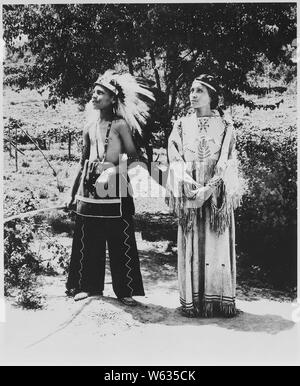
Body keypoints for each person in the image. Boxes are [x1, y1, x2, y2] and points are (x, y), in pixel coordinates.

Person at [65, 70, 155, 306]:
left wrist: (113, 171)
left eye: (100, 92)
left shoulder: (120, 125)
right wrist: (72, 193)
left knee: (120, 239)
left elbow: (136, 160)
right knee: (88, 238)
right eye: (93, 92)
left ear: (113, 98)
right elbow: (83, 162)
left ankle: (124, 290)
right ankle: (87, 286)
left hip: (116, 190)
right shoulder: (88, 127)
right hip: (89, 191)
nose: (94, 96)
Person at [165, 74, 242, 317]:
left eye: (200, 91)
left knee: (215, 246)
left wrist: (209, 189)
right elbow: (174, 155)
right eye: (191, 89)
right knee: (192, 244)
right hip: (190, 192)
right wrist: (189, 186)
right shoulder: (180, 124)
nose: (193, 94)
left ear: (212, 96)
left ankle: (218, 302)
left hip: (216, 195)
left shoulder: (226, 126)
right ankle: (194, 302)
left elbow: (228, 160)